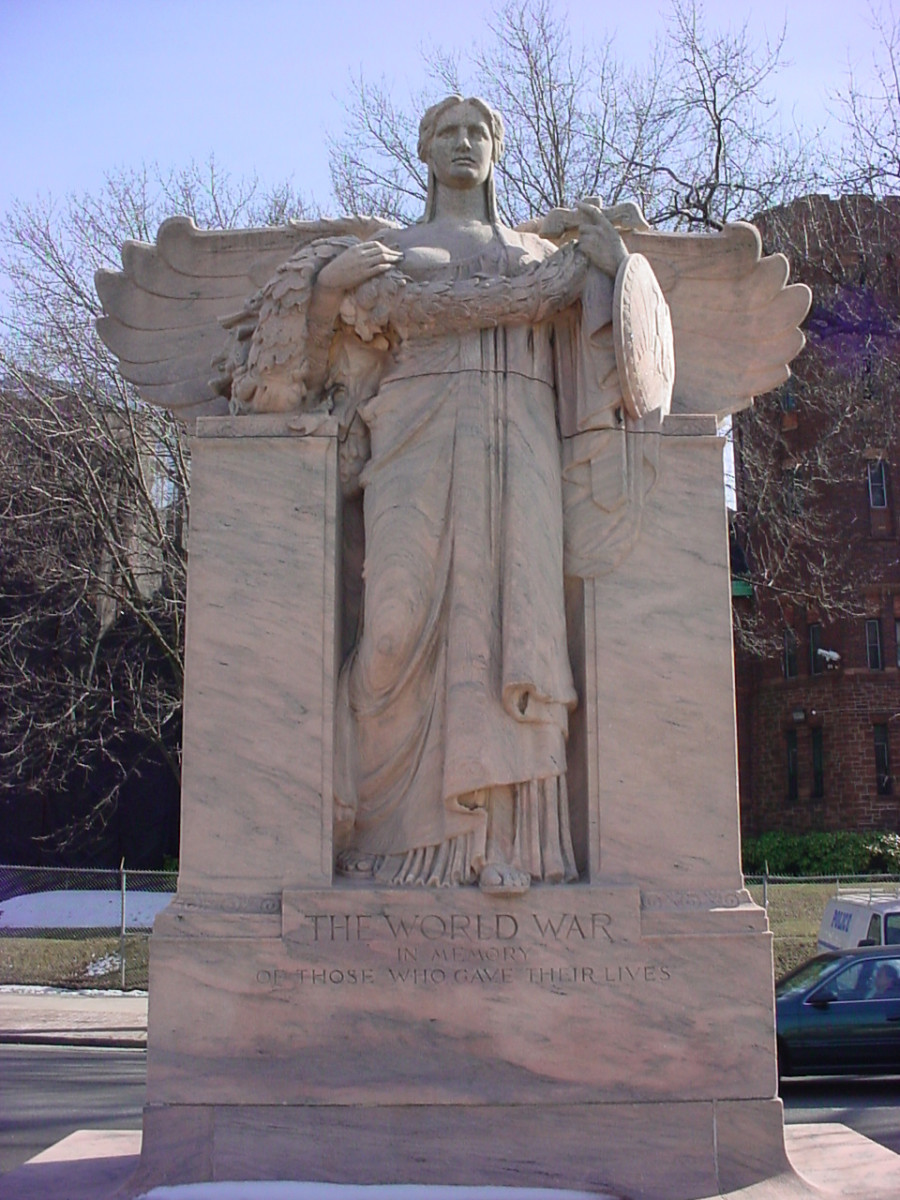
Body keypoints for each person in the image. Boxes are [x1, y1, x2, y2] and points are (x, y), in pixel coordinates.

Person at [303, 96, 643, 895]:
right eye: (447, 133)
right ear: (424, 151)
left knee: (513, 632)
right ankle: (378, 832)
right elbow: (355, 333)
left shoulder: (537, 252)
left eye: (477, 134)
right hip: (414, 437)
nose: (462, 145)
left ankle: (507, 848)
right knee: (390, 633)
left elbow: (617, 335)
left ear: (495, 150)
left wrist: (611, 262)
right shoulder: (392, 253)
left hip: (518, 442)